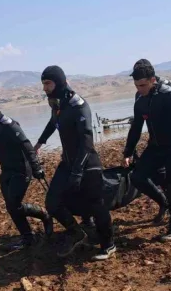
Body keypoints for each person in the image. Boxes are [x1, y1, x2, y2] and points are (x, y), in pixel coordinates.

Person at [34, 66, 116, 260]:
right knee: (52, 202)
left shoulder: (79, 105)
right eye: (43, 84)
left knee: (97, 205)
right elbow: (53, 123)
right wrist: (39, 143)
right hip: (68, 163)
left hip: (87, 163)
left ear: (59, 82)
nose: (45, 88)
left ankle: (109, 244)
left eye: (48, 83)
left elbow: (87, 141)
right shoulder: (58, 105)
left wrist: (78, 172)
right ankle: (76, 232)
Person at [122, 59, 171, 241]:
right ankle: (163, 202)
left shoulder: (167, 92)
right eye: (137, 85)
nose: (140, 89)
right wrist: (128, 152)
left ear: (153, 79)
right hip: (155, 146)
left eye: (143, 85)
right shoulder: (139, 98)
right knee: (137, 177)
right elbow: (136, 127)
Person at [0, 94, 54, 250]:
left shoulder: (9, 124)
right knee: (11, 207)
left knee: (14, 204)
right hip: (7, 172)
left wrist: (36, 167)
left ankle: (44, 216)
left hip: (22, 170)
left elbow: (26, 145)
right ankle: (28, 237)